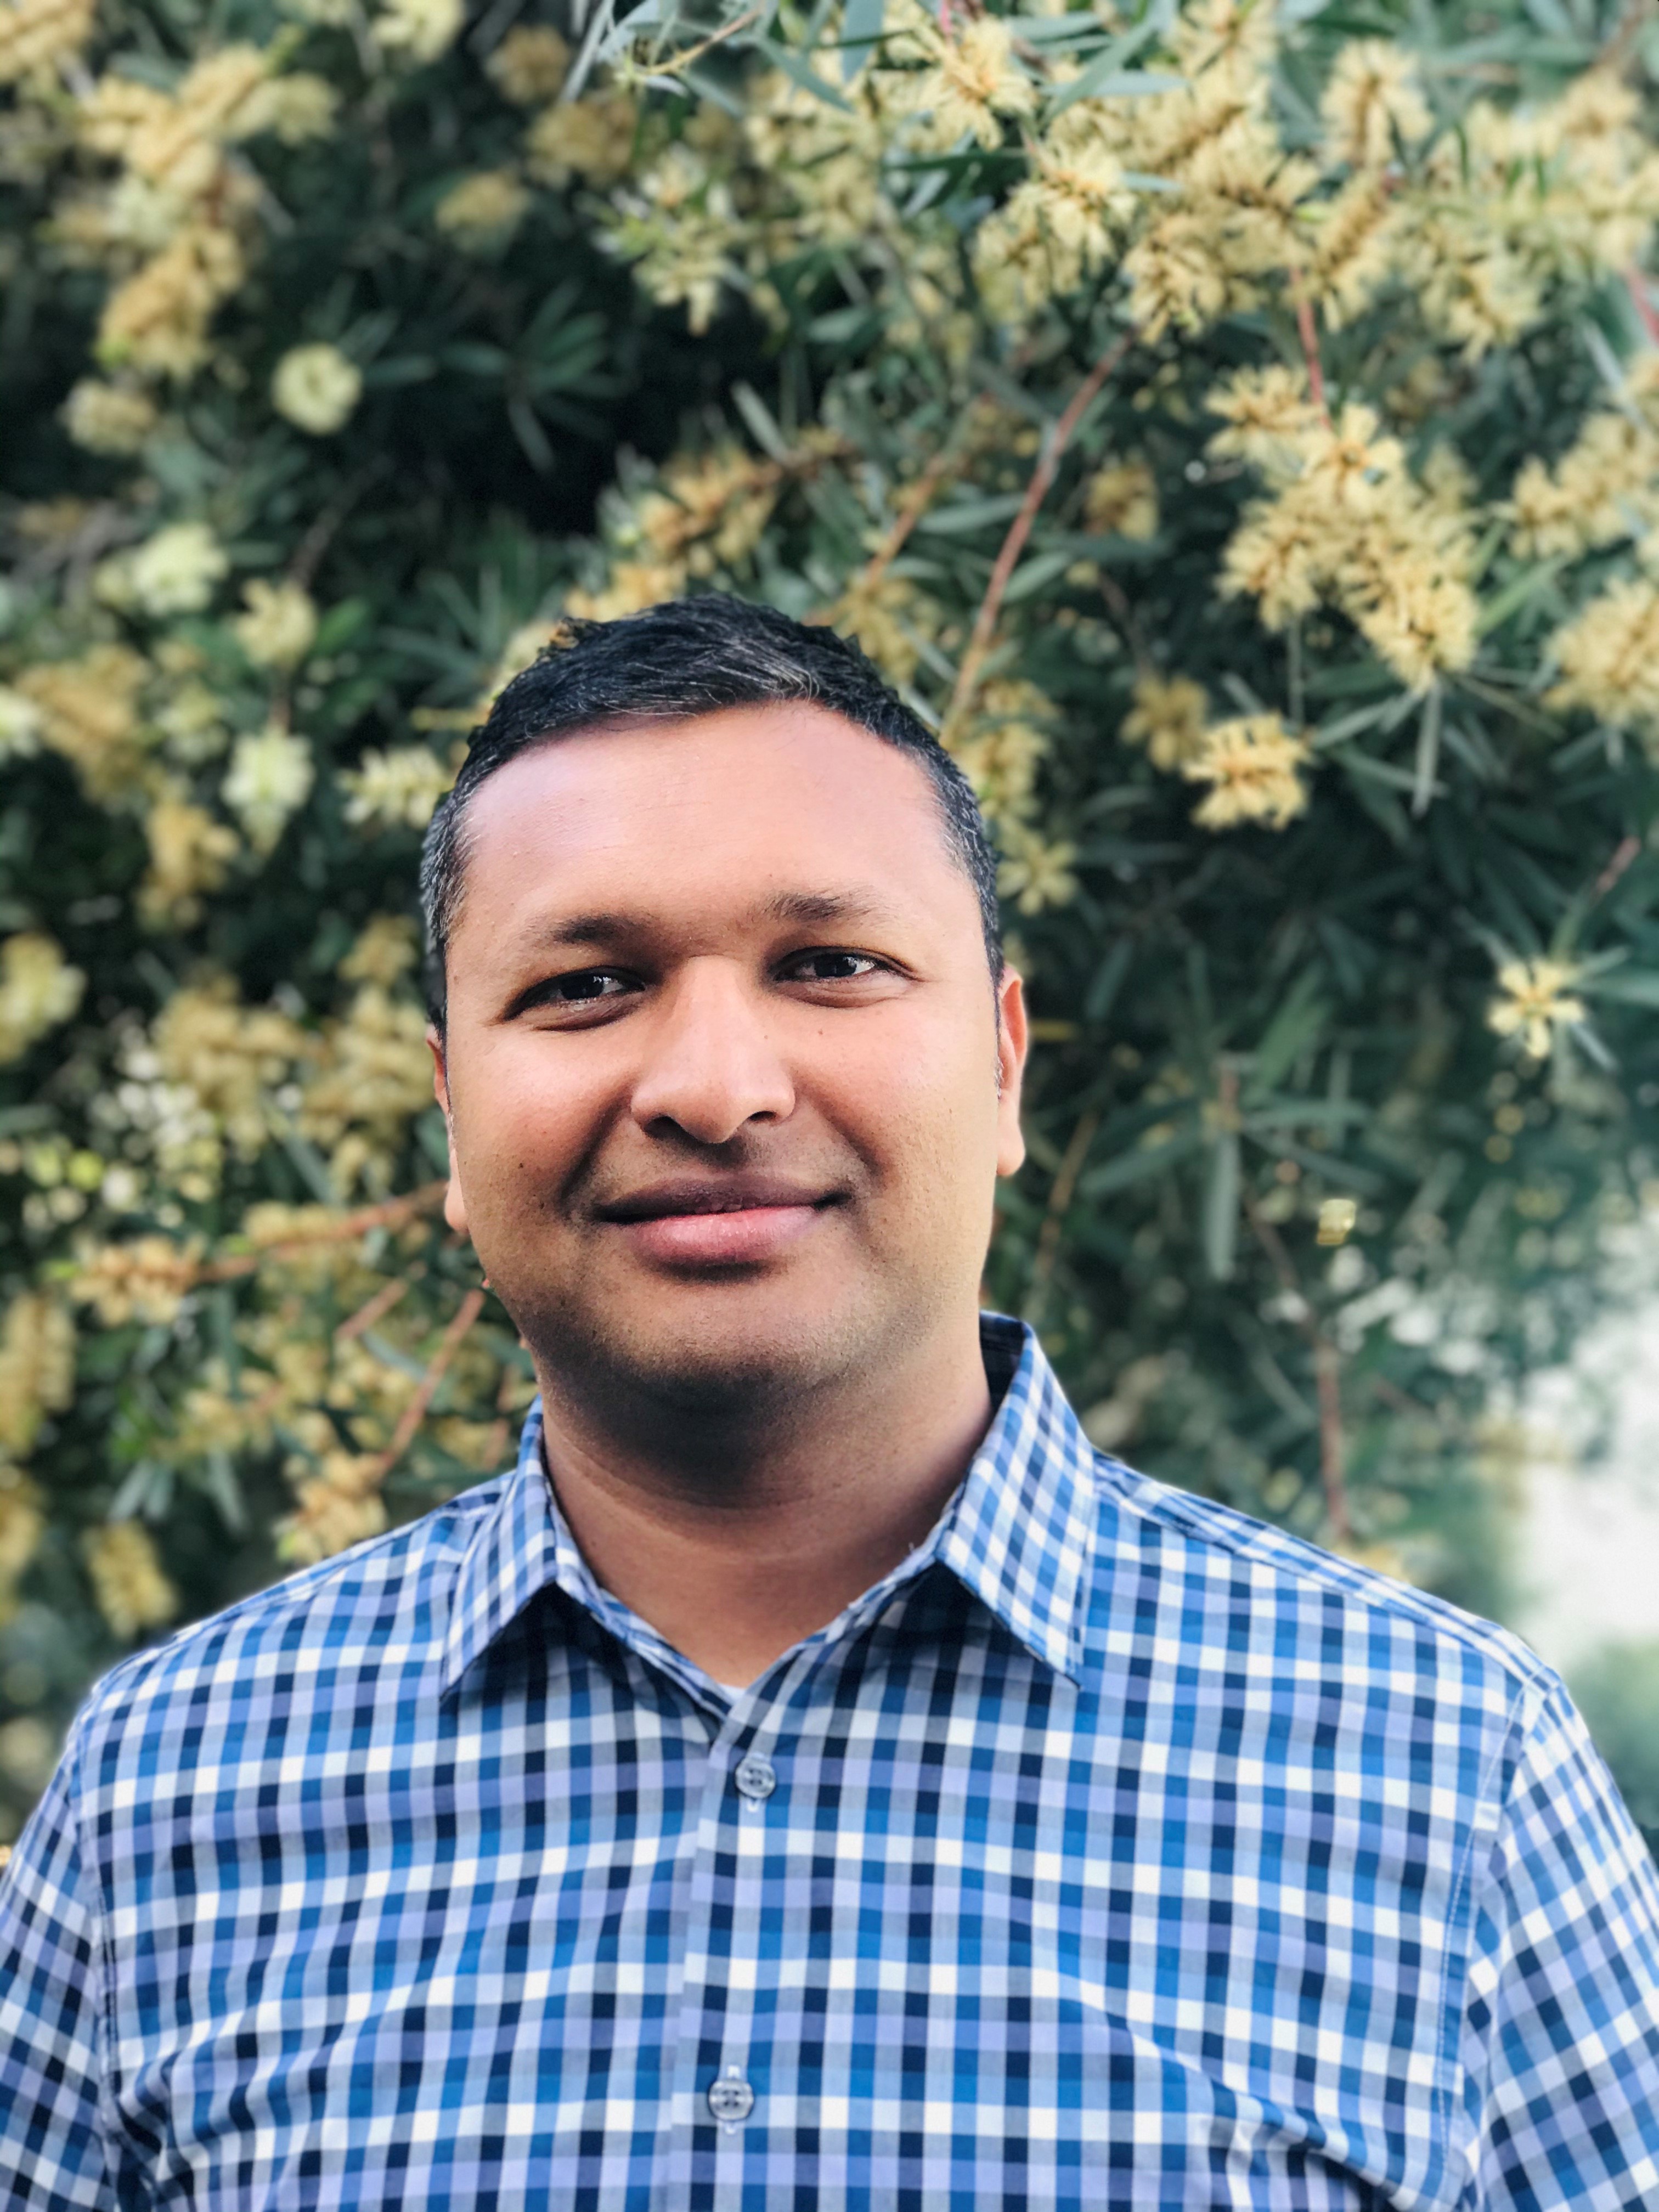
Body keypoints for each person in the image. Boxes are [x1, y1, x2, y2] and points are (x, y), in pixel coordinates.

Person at [2, 595, 1656, 2212]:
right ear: (450, 1110)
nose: (716, 1088)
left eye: (832, 964)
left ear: (1004, 1065)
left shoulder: (1448, 1772)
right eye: (584, 986)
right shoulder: (165, 1799)